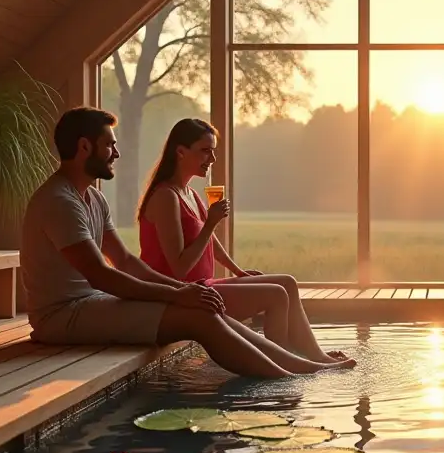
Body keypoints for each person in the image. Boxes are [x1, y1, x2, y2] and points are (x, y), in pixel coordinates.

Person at [20, 107, 354, 379]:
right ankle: (290, 377)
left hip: (92, 303)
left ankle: (298, 366)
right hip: (63, 316)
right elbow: (102, 275)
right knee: (200, 318)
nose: (117, 153)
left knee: (204, 309)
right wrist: (179, 292)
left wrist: (185, 292)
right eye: (110, 145)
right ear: (84, 147)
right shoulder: (59, 201)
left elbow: (124, 260)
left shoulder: (92, 198)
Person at [136, 118, 347, 364]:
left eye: (213, 151)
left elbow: (209, 241)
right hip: (182, 295)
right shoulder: (166, 197)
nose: (212, 159)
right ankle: (282, 362)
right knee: (276, 295)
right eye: (205, 151)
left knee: (287, 283)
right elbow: (179, 267)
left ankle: (314, 355)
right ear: (181, 152)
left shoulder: (189, 193)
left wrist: (237, 271)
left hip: (202, 285)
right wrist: (211, 223)